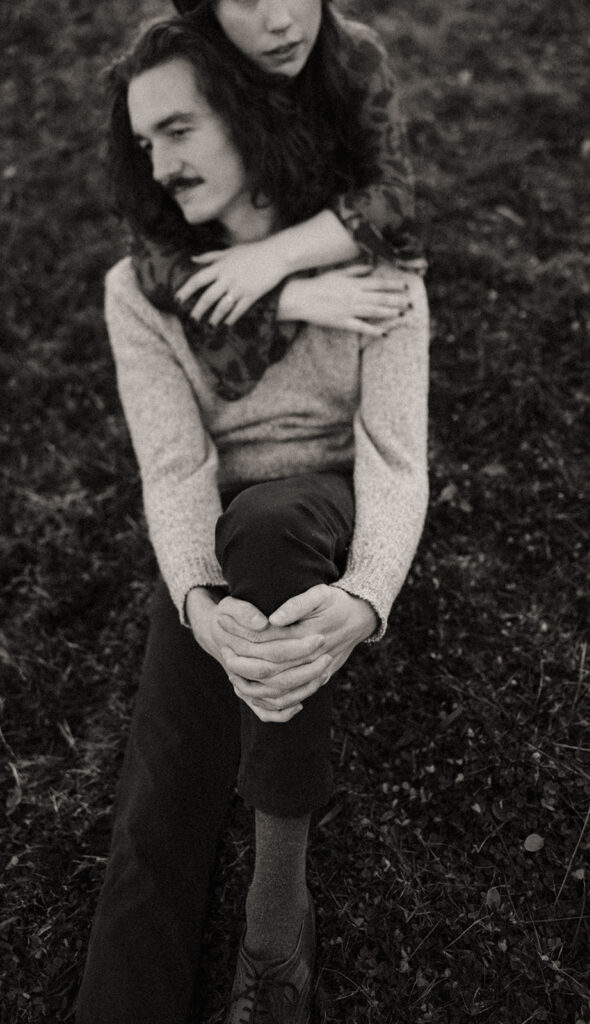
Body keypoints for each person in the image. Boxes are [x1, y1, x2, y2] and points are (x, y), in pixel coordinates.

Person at [76, 17, 428, 1024]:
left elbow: (397, 457)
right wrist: (194, 598)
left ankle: (276, 924)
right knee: (155, 802)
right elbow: (176, 467)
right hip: (220, 528)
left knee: (272, 526)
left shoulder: (378, 263)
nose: (162, 160)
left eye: (179, 127)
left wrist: (363, 598)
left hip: (321, 498)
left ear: (243, 110)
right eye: (147, 142)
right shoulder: (137, 291)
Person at [126, 0, 426, 400]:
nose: (281, 22)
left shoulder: (353, 57)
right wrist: (284, 298)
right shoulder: (188, 73)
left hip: (339, 277)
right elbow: (149, 248)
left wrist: (274, 257)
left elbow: (393, 195)